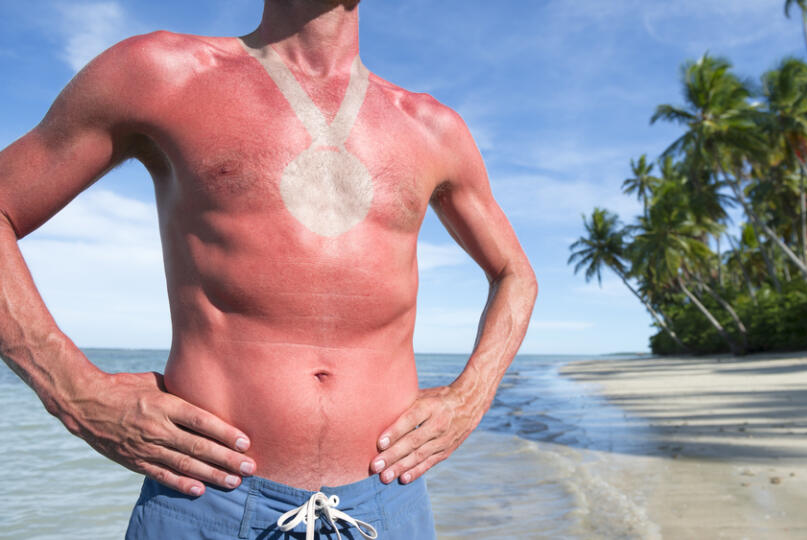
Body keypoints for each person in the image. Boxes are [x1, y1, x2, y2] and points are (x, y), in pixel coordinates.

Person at [0, 0, 537, 538]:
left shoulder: (432, 128)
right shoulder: (161, 73)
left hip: (387, 502)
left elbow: (516, 273)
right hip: (208, 500)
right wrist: (71, 390)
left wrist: (471, 398)